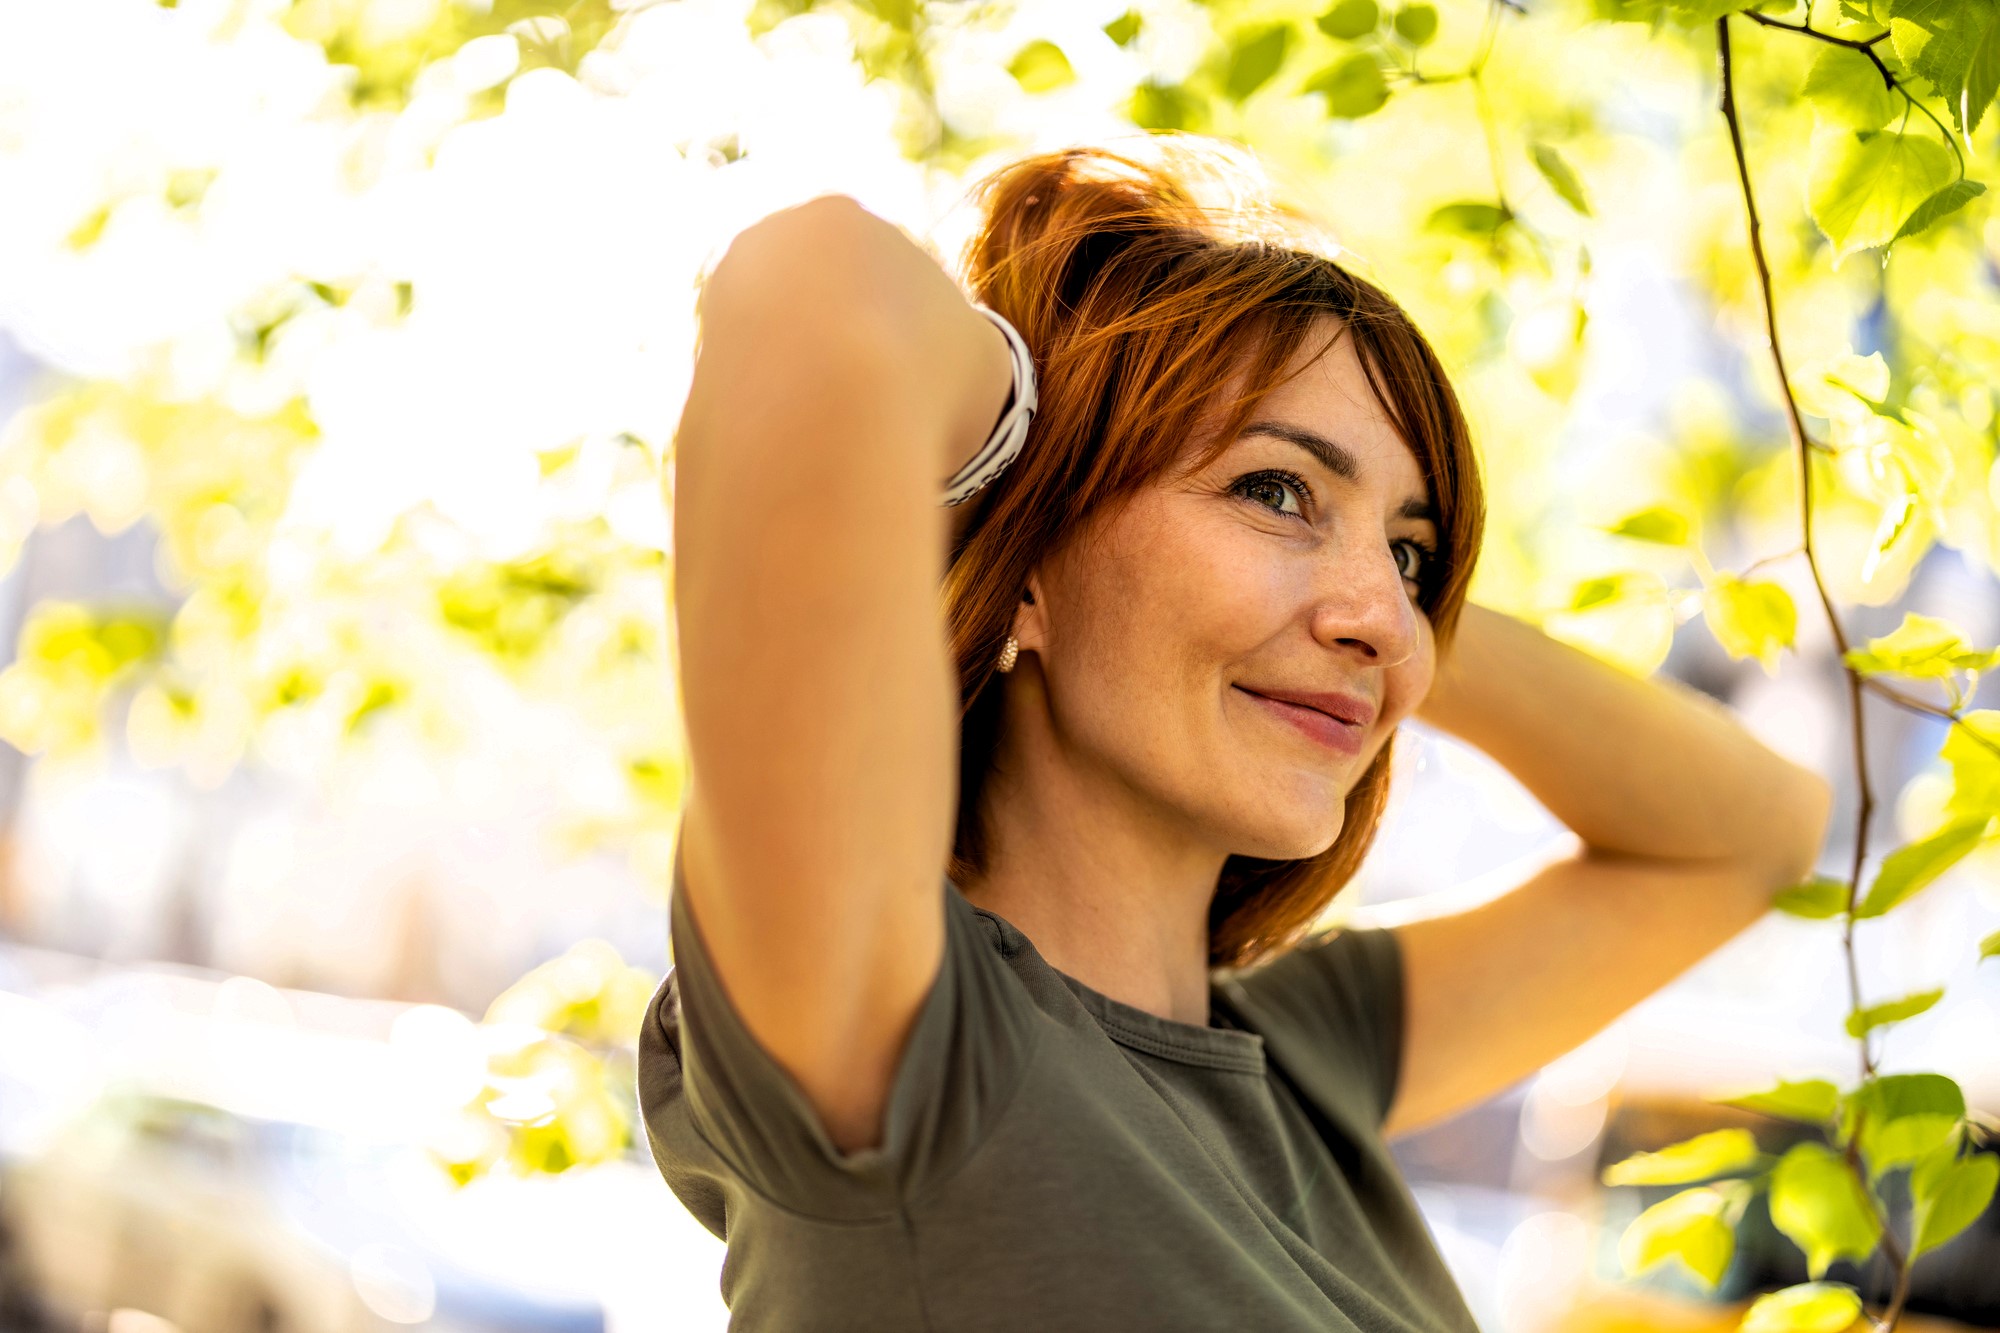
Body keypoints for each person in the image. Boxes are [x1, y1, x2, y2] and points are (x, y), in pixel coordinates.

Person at [636, 135, 1834, 1331]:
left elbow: (1753, 831)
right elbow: (813, 287)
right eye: (1272, 490)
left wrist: (1375, 611)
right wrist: (1039, 462)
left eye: (1412, 553)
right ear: (1031, 577)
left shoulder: (1309, 1050)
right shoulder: (900, 1031)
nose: (1387, 622)